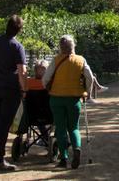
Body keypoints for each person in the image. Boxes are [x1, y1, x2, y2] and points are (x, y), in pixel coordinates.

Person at [42, 35, 100, 169]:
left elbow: (45, 78)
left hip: (56, 98)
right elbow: (90, 77)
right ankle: (77, 149)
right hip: (74, 99)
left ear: (60, 47)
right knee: (73, 127)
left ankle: (63, 158)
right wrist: (87, 91)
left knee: (61, 128)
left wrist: (48, 88)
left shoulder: (56, 60)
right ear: (73, 46)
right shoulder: (81, 60)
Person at [0, 15, 27, 172]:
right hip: (11, 89)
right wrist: (24, 89)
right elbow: (22, 71)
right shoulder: (17, 46)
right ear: (19, 30)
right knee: (4, 123)